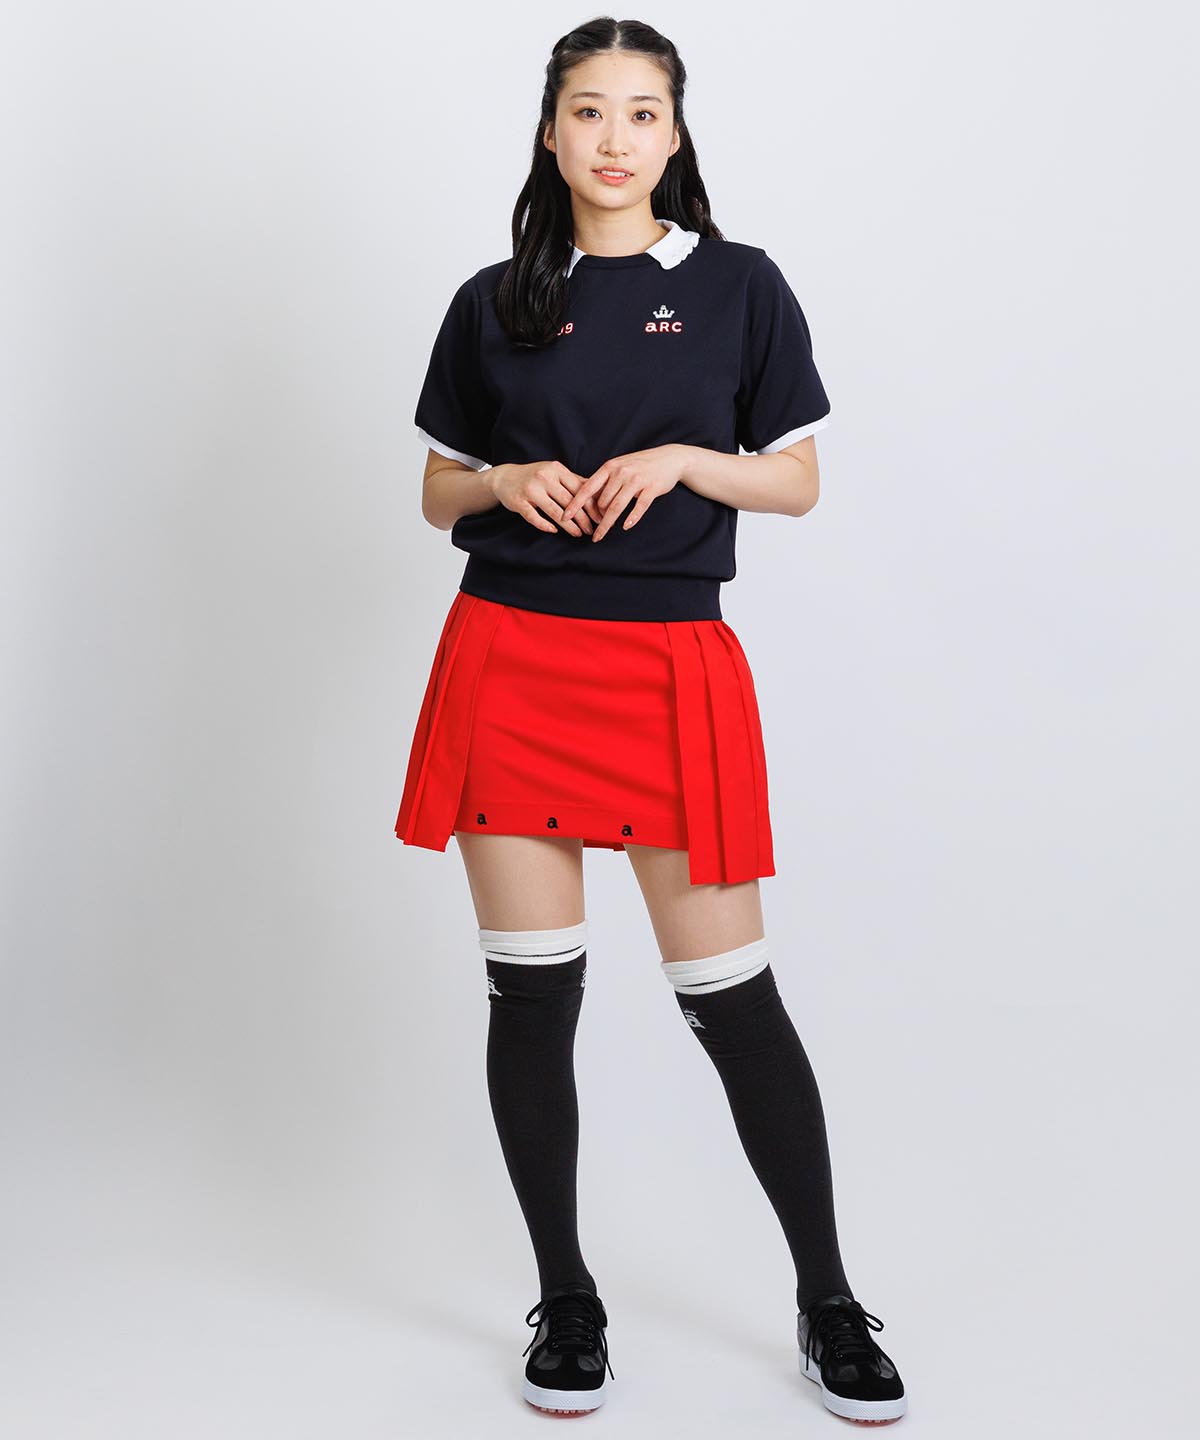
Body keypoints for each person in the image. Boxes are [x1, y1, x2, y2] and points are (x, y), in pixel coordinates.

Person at [393, 15, 907, 1426]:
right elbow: (437, 492)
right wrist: (504, 484)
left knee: (733, 1002)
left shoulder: (739, 285)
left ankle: (827, 1300)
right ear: (550, 133)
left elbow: (796, 480)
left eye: (640, 112)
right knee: (532, 997)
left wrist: (686, 458)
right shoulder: (492, 298)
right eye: (588, 111)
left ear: (675, 135)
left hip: (671, 671)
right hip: (511, 660)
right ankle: (566, 1297)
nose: (614, 138)